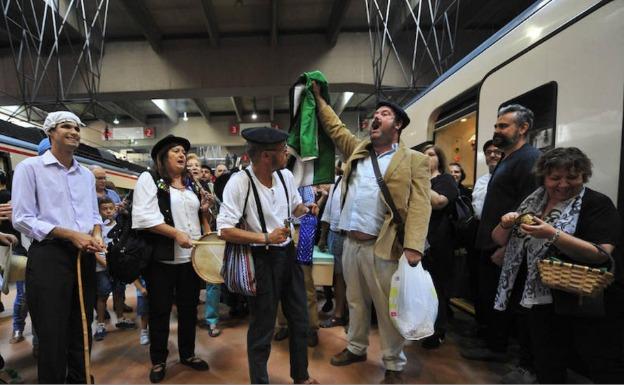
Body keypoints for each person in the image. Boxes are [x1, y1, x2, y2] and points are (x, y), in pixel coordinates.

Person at [312, 82, 431, 384]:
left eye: (385, 113)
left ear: (399, 124)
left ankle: (393, 363)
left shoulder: (414, 160)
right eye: (374, 114)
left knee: (386, 308)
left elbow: (420, 205)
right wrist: (318, 99)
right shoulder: (359, 151)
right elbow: (335, 128)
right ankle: (356, 347)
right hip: (350, 242)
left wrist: (414, 246)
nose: (376, 118)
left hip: (385, 246)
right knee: (355, 300)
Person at [492, 147, 624, 383]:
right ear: (544, 177)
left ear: (584, 176)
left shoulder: (597, 203)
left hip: (578, 298)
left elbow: (601, 253)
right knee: (546, 359)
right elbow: (499, 239)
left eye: (572, 177)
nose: (563, 184)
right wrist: (504, 224)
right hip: (537, 296)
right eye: (555, 178)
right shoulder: (533, 201)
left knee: (597, 360)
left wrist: (552, 234)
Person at [217, 126, 319, 384]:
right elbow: (224, 230)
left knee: (299, 319)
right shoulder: (240, 183)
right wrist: (264, 237)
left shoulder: (285, 176)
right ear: (265, 156)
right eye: (283, 151)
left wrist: (305, 208)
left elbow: (294, 207)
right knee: (262, 327)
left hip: (288, 255)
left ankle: (301, 377)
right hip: (261, 259)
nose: (287, 154)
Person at [12, 111, 105, 383]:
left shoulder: (86, 175)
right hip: (50, 255)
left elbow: (94, 216)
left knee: (81, 327)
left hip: (82, 256)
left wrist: (96, 234)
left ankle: (79, 379)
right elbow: (22, 218)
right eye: (66, 126)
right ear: (50, 132)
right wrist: (69, 234)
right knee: (52, 332)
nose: (74, 131)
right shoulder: (30, 169)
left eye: (77, 127)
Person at [462, 104, 541, 384]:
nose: (497, 131)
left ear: (523, 128)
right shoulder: (509, 158)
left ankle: (507, 352)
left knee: (509, 302)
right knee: (490, 297)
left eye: (503, 126)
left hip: (508, 248)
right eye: (496, 126)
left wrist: (508, 247)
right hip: (490, 242)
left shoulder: (530, 159)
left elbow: (530, 208)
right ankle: (493, 344)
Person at [132, 135, 212, 383]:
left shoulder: (191, 184)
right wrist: (175, 233)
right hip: (163, 261)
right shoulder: (152, 179)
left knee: (189, 309)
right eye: (176, 151)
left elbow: (200, 219)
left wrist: (205, 210)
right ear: (163, 156)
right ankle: (158, 359)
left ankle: (187, 354)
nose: (182, 155)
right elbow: (143, 218)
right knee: (160, 311)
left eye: (184, 152)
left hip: (191, 259)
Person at [421, 144, 458, 349]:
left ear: (440, 159)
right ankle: (425, 326)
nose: (426, 157)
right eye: (423, 155)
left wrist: (421, 182)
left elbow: (439, 202)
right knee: (423, 288)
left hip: (439, 242)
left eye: (431, 154)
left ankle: (438, 330)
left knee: (437, 288)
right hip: (420, 241)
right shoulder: (421, 181)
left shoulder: (446, 180)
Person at [186, 153, 222, 338]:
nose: (193, 168)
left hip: (208, 239)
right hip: (188, 240)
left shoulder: (209, 189)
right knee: (188, 282)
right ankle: (188, 316)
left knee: (212, 281)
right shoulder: (182, 188)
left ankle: (212, 319)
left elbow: (214, 214)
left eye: (196, 165)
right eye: (189, 165)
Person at [94, 197, 135, 342]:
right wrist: (107, 264)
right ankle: (100, 323)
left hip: (117, 267)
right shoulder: (97, 228)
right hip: (102, 267)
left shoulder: (119, 225)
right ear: (98, 211)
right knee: (103, 294)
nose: (108, 211)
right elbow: (95, 252)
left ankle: (120, 318)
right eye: (104, 209)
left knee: (119, 293)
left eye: (111, 208)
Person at [318, 162, 348, 328]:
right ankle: (339, 314)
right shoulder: (336, 182)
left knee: (356, 280)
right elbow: (328, 213)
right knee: (338, 278)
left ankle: (353, 315)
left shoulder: (362, 182)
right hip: (335, 235)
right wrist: (323, 237)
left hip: (355, 238)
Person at [472, 140, 502, 220]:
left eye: (497, 152)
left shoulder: (510, 179)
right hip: (480, 226)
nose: (492, 155)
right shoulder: (480, 181)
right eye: (488, 152)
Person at [134, 277, 150, 345]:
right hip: (142, 292)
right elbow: (134, 277)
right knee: (144, 313)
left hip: (157, 291)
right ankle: (144, 332)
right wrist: (141, 288)